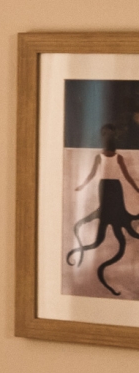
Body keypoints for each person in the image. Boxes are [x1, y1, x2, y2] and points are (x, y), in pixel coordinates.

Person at [68, 120, 139, 295]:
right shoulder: (98, 157)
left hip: (115, 188)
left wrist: (137, 188)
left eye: (109, 135)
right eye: (105, 135)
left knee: (118, 224)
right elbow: (92, 173)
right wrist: (82, 186)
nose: (107, 137)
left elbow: (127, 175)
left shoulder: (118, 157)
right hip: (105, 188)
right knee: (104, 227)